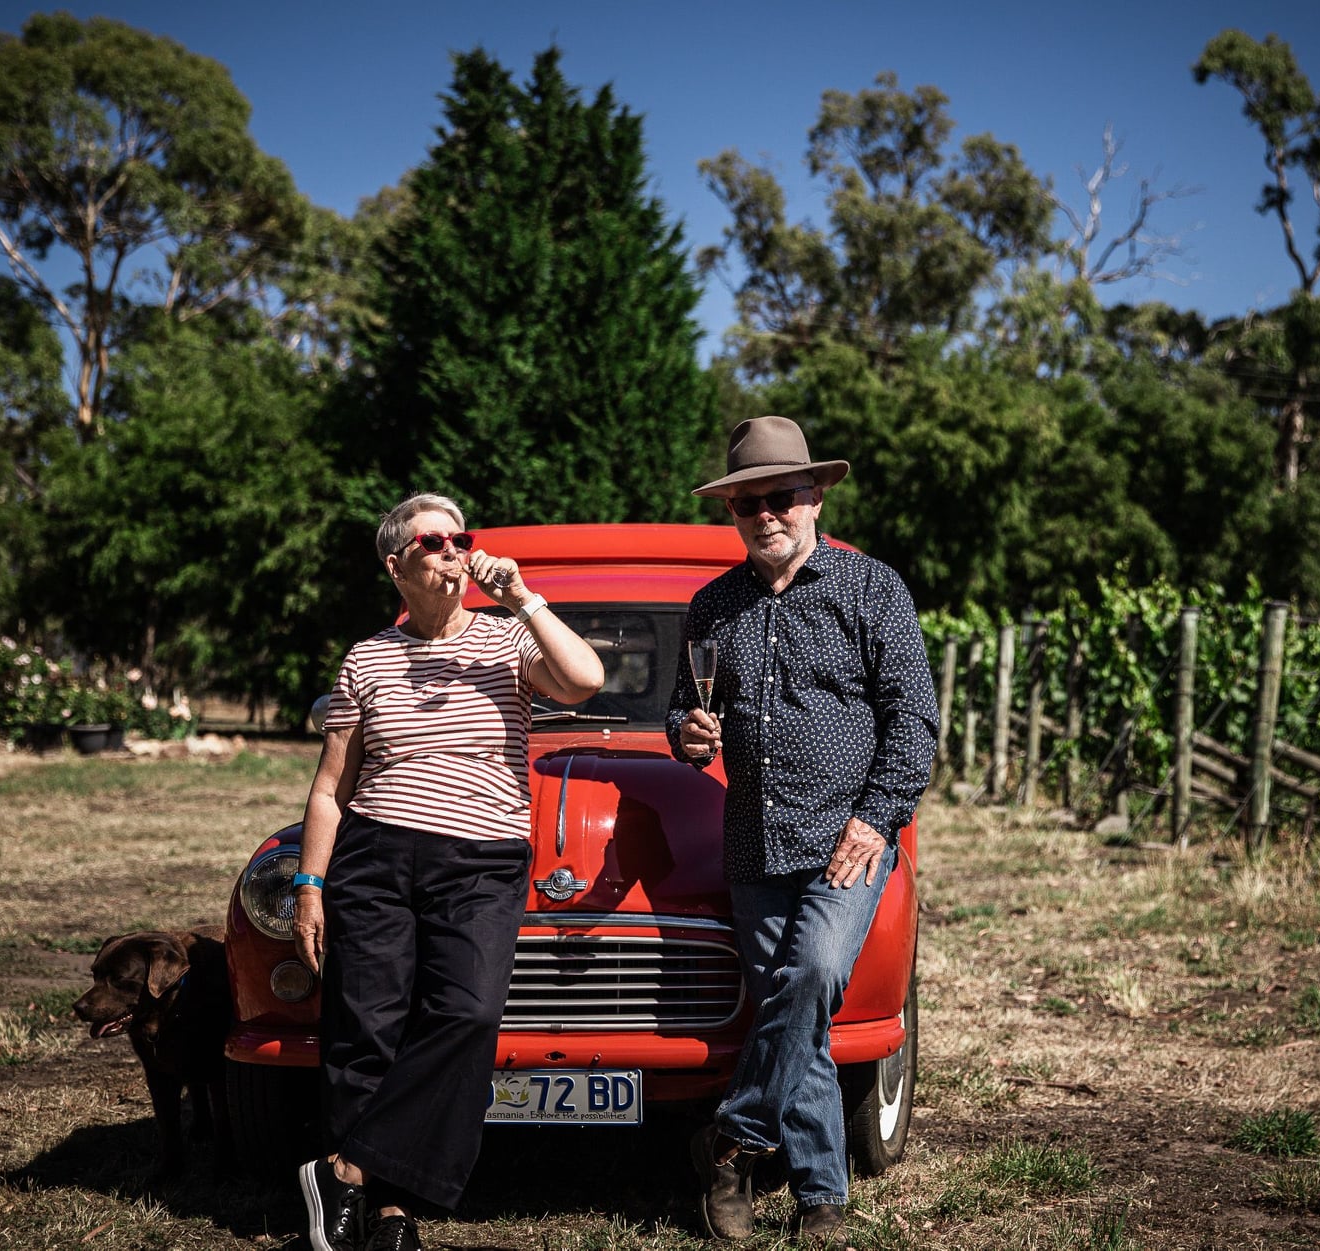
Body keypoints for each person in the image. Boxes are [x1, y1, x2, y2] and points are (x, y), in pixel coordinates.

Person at [292, 493, 605, 1251]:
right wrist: (309, 884)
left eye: (459, 537)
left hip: (481, 859)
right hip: (376, 849)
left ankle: (344, 1167)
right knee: (366, 1028)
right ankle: (387, 1214)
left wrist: (524, 597)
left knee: (465, 1015)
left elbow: (584, 679)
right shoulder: (366, 657)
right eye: (432, 541)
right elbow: (331, 787)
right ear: (395, 565)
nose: (452, 549)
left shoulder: (506, 640)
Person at [666, 417, 938, 1244]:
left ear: (814, 495)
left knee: (813, 974)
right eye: (747, 502)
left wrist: (875, 816)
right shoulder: (712, 606)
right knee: (799, 1016)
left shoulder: (871, 589)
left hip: (846, 839)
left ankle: (731, 1138)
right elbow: (681, 709)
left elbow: (914, 719)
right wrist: (687, 733)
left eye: (780, 496)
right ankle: (822, 1196)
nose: (765, 514)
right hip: (752, 840)